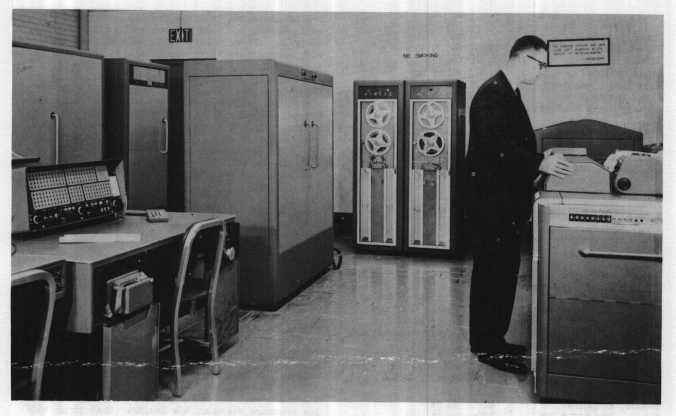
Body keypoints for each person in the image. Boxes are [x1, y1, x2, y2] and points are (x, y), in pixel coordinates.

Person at [465, 35, 573, 374]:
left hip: (504, 204)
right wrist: (539, 163)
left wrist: (540, 156)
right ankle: (487, 346)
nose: (541, 71)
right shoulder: (492, 94)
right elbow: (497, 146)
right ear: (523, 58)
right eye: (540, 64)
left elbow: (514, 144)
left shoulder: (509, 92)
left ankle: (495, 339)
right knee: (492, 274)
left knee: (503, 272)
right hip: (491, 205)